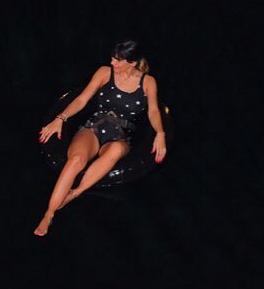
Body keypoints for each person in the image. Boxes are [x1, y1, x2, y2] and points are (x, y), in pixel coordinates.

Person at [34, 39, 167, 237]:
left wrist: (160, 133)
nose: (112, 62)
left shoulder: (148, 82)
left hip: (121, 134)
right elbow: (82, 99)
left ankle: (75, 193)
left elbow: (154, 111)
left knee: (116, 149)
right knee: (76, 160)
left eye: (118, 60)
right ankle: (49, 213)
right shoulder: (105, 72)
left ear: (132, 62)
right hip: (95, 126)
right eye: (112, 58)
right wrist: (60, 118)